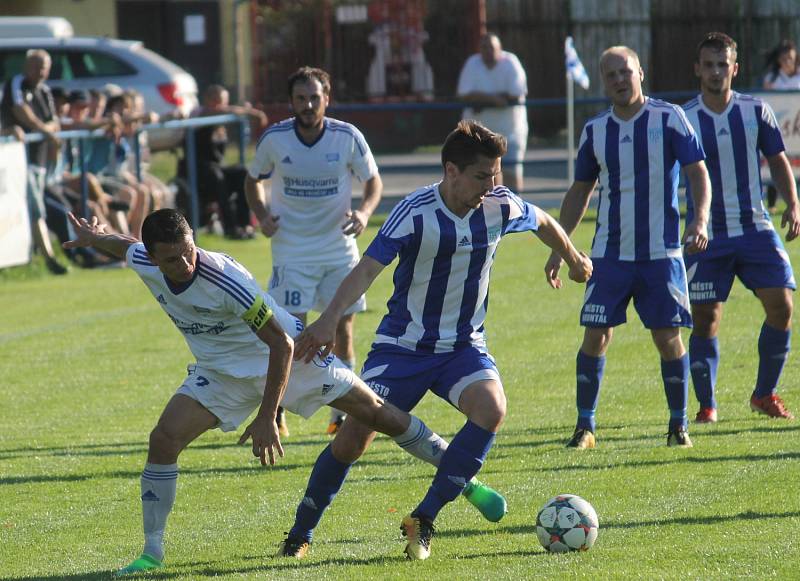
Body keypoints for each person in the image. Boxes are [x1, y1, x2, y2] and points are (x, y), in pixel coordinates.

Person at [62, 208, 478, 576]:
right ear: (153, 258)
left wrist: (267, 416)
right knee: (163, 439)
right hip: (222, 373)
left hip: (290, 355)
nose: (186, 263)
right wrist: (95, 238)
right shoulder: (144, 260)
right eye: (172, 259)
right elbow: (125, 246)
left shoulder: (224, 278)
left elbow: (280, 345)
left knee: (376, 413)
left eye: (189, 251)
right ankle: (152, 551)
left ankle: (464, 477)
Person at [284, 119, 593, 560]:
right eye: (481, 176)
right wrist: (330, 319)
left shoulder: (500, 206)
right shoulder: (415, 212)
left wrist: (572, 257)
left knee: (492, 409)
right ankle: (299, 533)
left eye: (496, 174)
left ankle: (423, 518)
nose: (492, 185)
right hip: (402, 348)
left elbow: (543, 220)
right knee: (353, 439)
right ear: (451, 171)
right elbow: (368, 268)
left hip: (463, 347)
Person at [545, 46, 712, 450]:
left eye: (626, 72)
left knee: (668, 337)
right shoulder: (595, 130)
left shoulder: (670, 118)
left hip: (662, 253)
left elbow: (698, 173)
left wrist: (700, 219)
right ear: (604, 82)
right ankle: (585, 427)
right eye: (611, 75)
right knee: (595, 335)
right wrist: (559, 247)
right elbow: (580, 191)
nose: (620, 80)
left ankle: (677, 426)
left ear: (641, 72)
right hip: (609, 255)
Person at [245, 67, 383, 436]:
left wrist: (365, 212)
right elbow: (252, 180)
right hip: (292, 251)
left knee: (342, 330)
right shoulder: (274, 139)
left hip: (339, 249)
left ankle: (342, 417)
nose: (308, 105)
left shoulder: (347, 137)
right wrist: (261, 215)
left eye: (314, 97)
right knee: (288, 335)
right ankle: (277, 410)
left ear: (327, 99)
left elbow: (372, 181)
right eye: (300, 98)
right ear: (291, 102)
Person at [682, 32, 798, 424]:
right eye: (708, 64)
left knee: (782, 305)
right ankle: (707, 405)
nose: (716, 72)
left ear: (735, 68)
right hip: (706, 234)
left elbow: (778, 160)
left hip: (755, 227)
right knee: (705, 318)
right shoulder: (685, 118)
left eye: (723, 64)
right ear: (698, 69)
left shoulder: (756, 110)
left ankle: (764, 394)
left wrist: (794, 203)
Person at [0, 48, 67, 274]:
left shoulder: (46, 91)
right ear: (27, 67)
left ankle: (35, 254)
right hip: (18, 161)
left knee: (35, 209)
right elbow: (20, 110)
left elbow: (55, 123)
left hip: (39, 161)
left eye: (44, 68)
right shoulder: (15, 84)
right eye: (37, 67)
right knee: (36, 208)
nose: (40, 72)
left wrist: (48, 132)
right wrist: (44, 130)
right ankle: (49, 259)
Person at [181, 84, 267, 239]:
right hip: (195, 170)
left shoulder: (220, 122)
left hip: (214, 168)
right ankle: (230, 228)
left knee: (243, 173)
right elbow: (215, 111)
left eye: (222, 101)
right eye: (216, 100)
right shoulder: (198, 113)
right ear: (206, 99)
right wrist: (250, 112)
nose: (220, 106)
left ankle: (245, 225)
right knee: (217, 177)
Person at [456, 33, 528, 193]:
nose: (487, 51)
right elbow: (464, 95)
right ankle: (491, 215)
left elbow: (515, 94)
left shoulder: (511, 63)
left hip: (510, 132)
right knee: (483, 179)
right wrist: (496, 100)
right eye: (484, 47)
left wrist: (480, 100)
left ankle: (515, 215)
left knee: (511, 175)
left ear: (500, 49)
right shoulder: (472, 64)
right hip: (478, 138)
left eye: (491, 48)